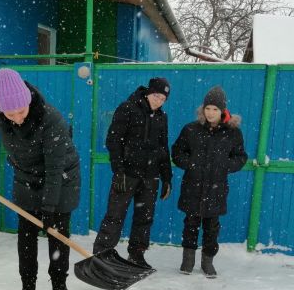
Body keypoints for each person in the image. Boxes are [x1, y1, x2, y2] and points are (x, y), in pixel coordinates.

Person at [0, 68, 81, 290]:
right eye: (9, 114)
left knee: (57, 237)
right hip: (26, 180)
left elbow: (55, 169)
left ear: (28, 102)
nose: (17, 118)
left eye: (21, 111)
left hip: (61, 180)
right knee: (26, 239)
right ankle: (28, 289)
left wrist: (49, 207)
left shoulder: (50, 119)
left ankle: (60, 288)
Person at [92, 77, 173, 270]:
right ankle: (101, 255)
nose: (158, 101)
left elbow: (163, 148)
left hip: (150, 176)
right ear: (148, 92)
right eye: (156, 96)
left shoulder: (162, 117)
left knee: (144, 217)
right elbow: (114, 141)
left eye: (163, 99)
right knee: (115, 215)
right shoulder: (127, 108)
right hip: (127, 174)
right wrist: (118, 171)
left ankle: (136, 254)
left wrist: (166, 178)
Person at [171, 85, 247, 278]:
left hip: (216, 188)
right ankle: (187, 261)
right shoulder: (191, 129)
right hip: (193, 187)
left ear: (223, 111)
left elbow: (240, 157)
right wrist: (191, 163)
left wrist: (225, 165)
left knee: (212, 227)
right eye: (208, 108)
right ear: (202, 110)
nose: (211, 113)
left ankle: (207, 262)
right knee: (190, 224)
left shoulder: (233, 133)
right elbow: (177, 152)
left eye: (215, 109)